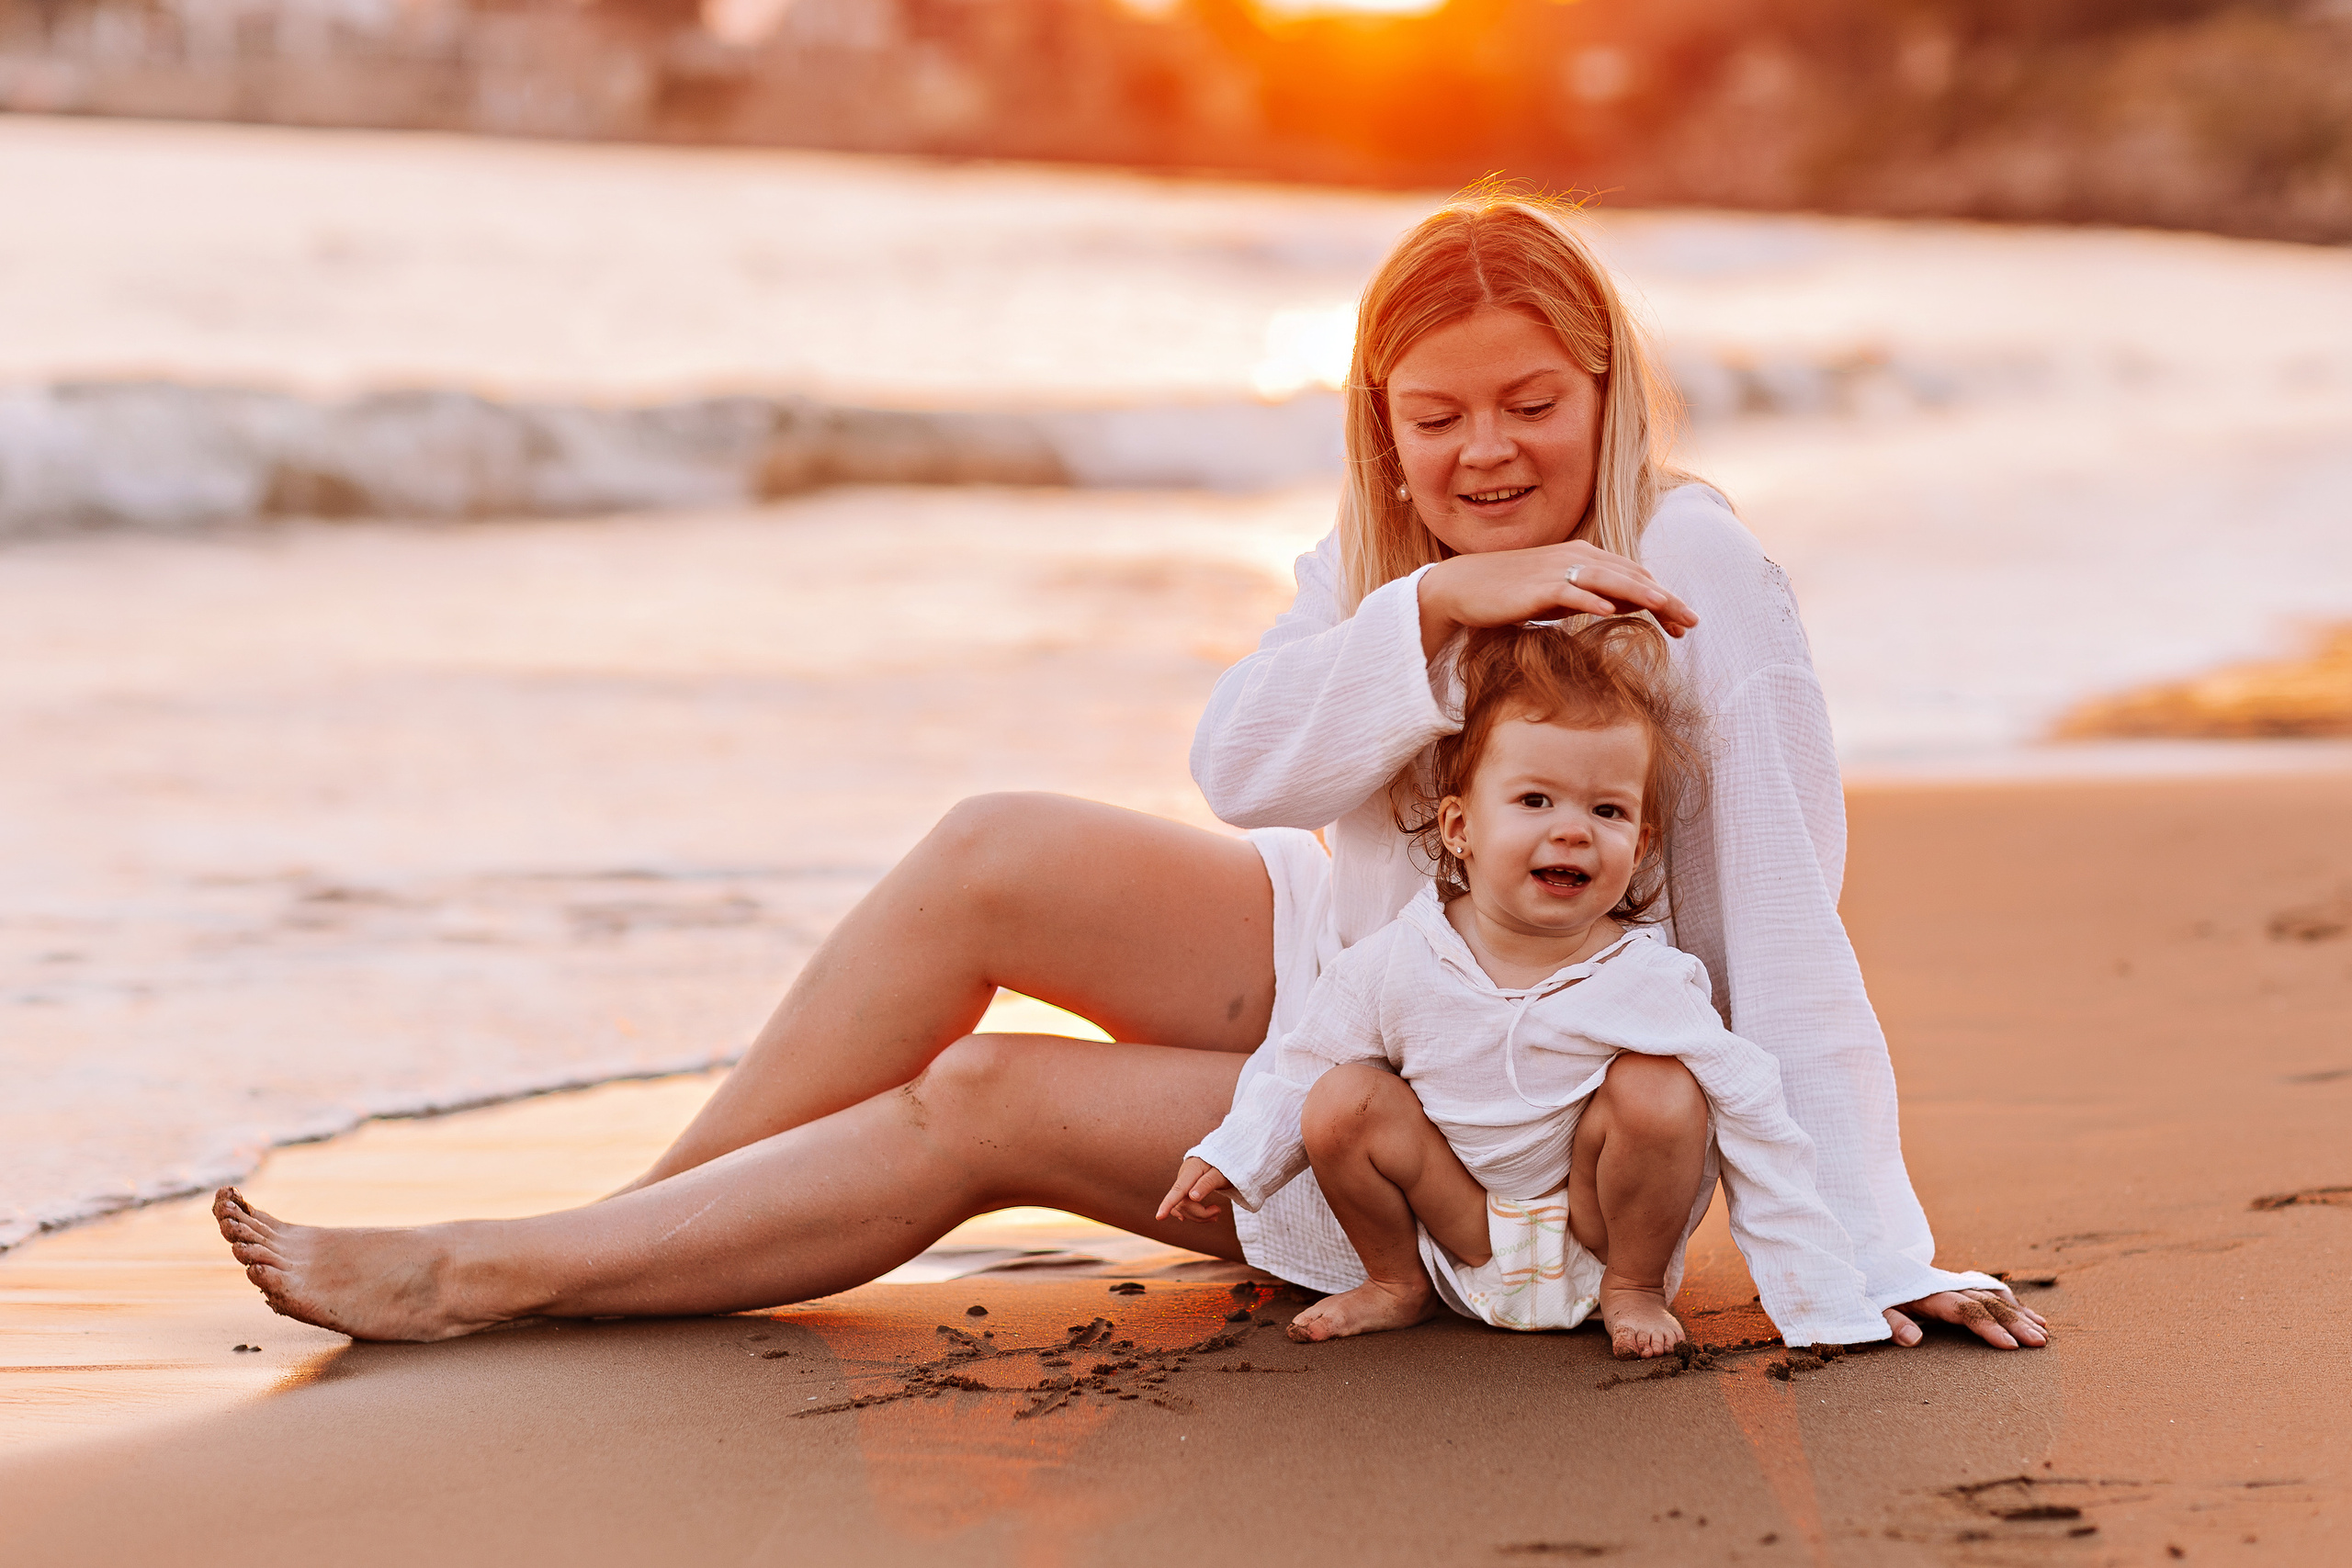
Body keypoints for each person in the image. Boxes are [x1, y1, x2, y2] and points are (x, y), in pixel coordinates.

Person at [213, 187, 2046, 1355]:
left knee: (992, 1097)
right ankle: (613, 1241)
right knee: (985, 849)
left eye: (1529, 405)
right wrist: (1432, 611)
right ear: (1379, 428)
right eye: (1435, 419)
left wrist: (1868, 1257)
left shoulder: (1696, 569)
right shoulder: (1379, 563)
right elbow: (1240, 761)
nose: (1485, 453)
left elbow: (1780, 932)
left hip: (1507, 1123)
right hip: (1377, 968)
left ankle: (503, 1274)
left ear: (1604, 394)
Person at [1159, 616, 1894, 1359]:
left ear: (1638, 845)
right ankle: (1394, 1283)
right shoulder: (1402, 959)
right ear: (1458, 827)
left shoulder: (1645, 976)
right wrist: (1235, 1155)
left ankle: (1634, 1289)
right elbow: (1305, 1063)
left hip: (1594, 1235)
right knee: (1341, 1097)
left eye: (1606, 810)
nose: (1573, 830)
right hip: (1456, 1229)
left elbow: (1755, 1115)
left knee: (1666, 1088)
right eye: (1535, 801)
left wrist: (1822, 1290)